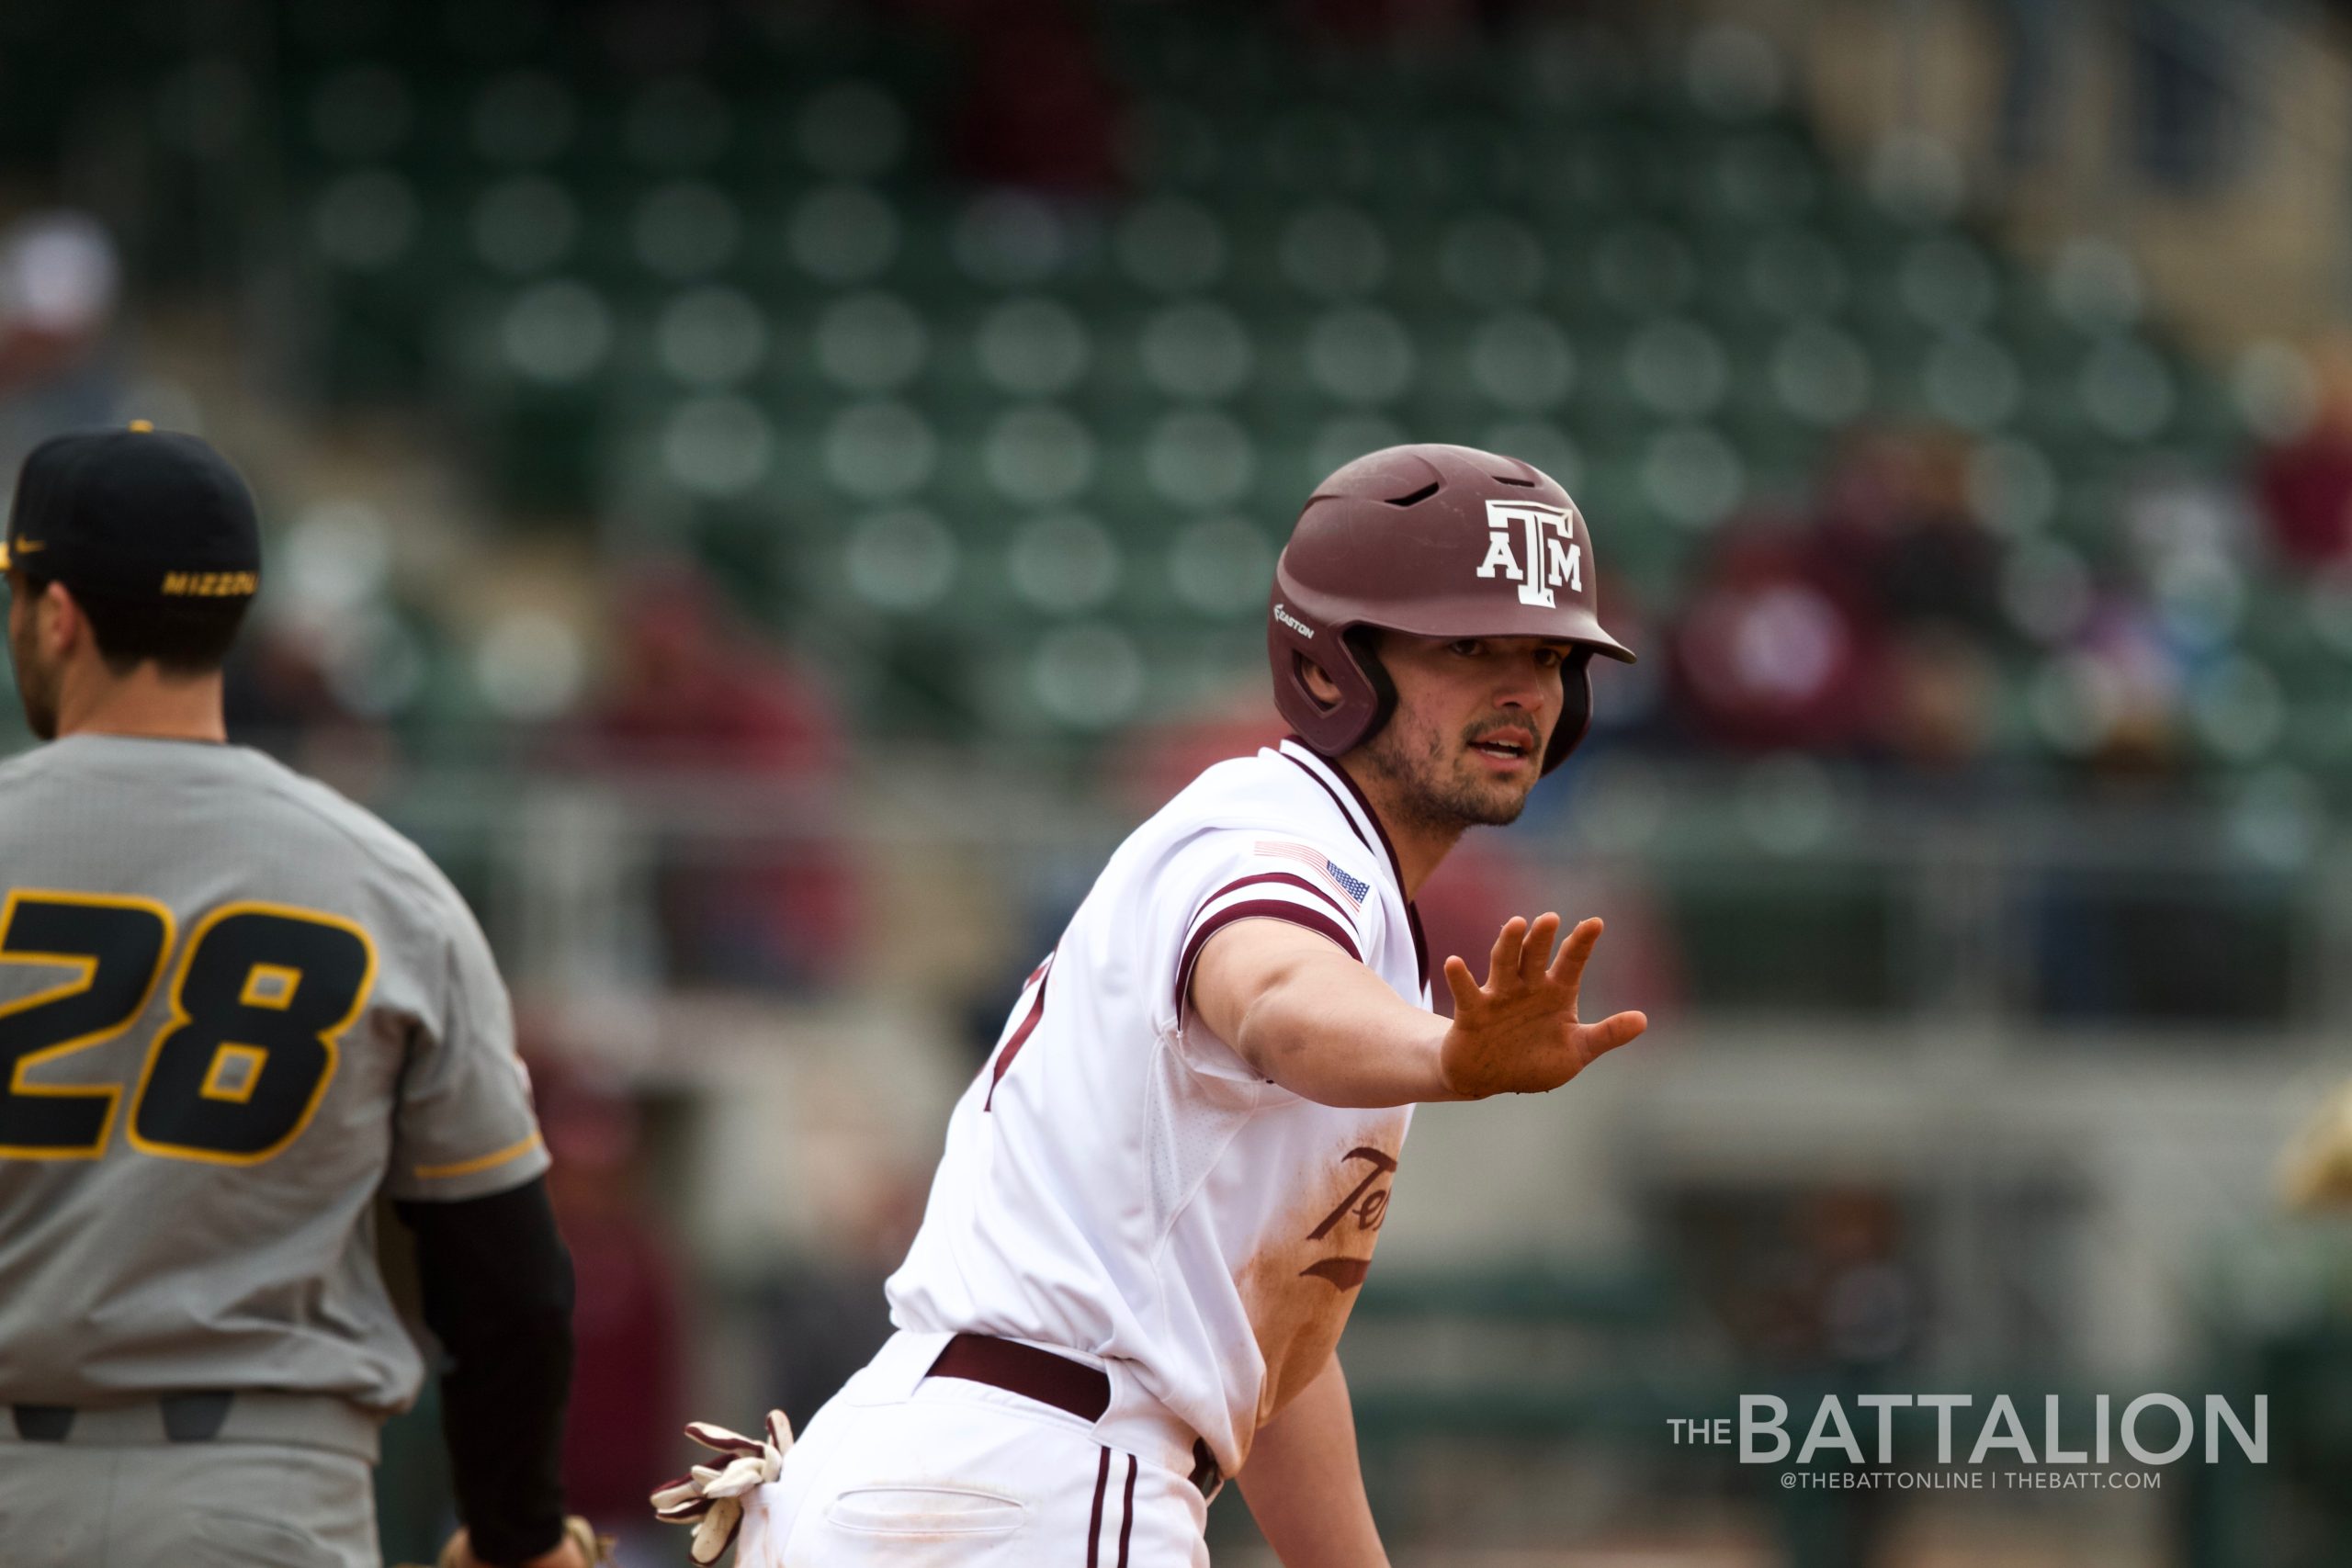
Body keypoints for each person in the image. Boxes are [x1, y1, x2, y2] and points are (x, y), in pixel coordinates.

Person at [662, 443, 1647, 1566]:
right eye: (1469, 646)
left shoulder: (1331, 870)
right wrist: (1440, 1054)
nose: (1524, 686)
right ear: (1334, 666)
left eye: (1549, 653)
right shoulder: (1277, 834)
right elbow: (1276, 994)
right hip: (1032, 1486)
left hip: (955, 1473)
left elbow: (1274, 1352)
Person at [0, 425, 591, 1568]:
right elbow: (508, 1283)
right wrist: (516, 1530)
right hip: (262, 1500)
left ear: (59, 614)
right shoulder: (388, 887)